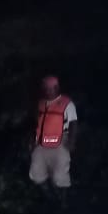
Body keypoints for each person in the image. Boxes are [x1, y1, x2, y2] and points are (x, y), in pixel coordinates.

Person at [29, 75, 77, 203]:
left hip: (61, 139)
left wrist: (71, 142)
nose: (48, 91)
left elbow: (73, 123)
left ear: (57, 88)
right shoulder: (40, 103)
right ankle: (50, 198)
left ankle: (62, 201)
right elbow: (36, 124)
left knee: (60, 174)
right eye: (46, 88)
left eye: (51, 88)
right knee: (36, 173)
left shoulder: (67, 103)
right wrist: (33, 142)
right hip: (42, 141)